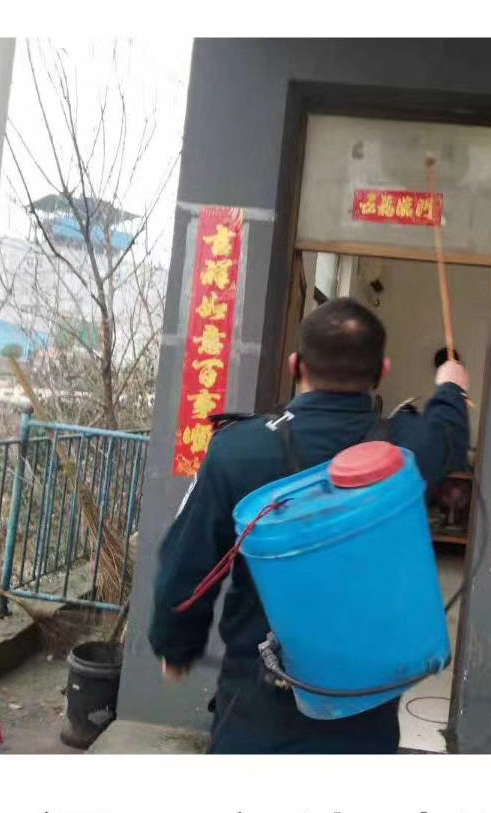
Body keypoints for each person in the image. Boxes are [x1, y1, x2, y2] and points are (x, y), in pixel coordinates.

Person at [148, 297, 471, 753]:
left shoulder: (239, 450)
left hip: (257, 704)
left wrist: (175, 645)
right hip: (364, 708)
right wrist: (452, 385)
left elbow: (188, 563)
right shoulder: (405, 451)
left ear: (295, 365)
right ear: (382, 371)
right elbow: (449, 432)